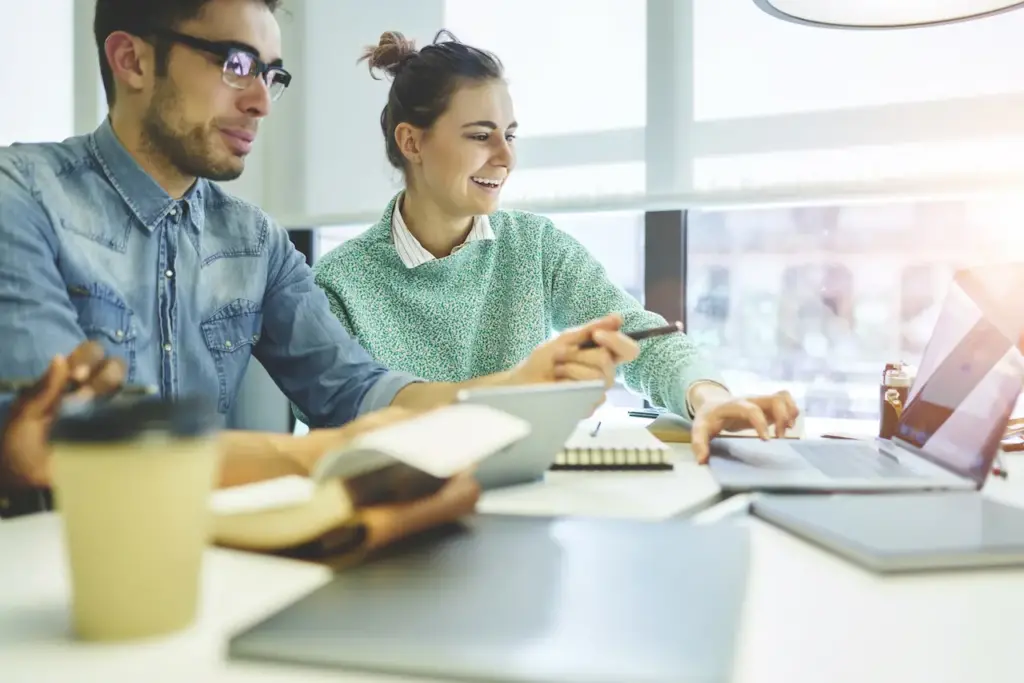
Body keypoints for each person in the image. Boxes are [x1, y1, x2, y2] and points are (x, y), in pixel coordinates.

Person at [0, 0, 640, 514]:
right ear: (132, 60)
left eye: (271, 74)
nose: (261, 101)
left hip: (204, 558)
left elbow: (360, 393)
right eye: (235, 64)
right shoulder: (22, 196)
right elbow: (67, 442)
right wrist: (316, 455)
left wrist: (518, 384)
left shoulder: (255, 242)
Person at [311, 30, 800, 463]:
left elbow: (643, 341)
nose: (505, 157)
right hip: (399, 512)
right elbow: (339, 428)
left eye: (510, 135)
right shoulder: (340, 283)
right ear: (412, 143)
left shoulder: (535, 247)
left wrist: (709, 398)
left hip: (526, 496)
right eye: (481, 136)